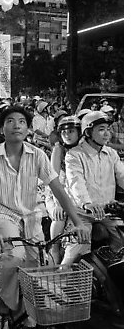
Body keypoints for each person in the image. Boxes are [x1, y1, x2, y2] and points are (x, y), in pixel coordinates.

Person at [0, 106, 89, 329]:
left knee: (40, 261)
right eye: (10, 121)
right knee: (14, 256)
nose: (16, 125)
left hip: (31, 215)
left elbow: (58, 189)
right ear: (1, 127)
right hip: (2, 214)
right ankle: (3, 305)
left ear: (28, 128)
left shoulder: (37, 155)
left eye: (21, 121)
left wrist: (78, 222)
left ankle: (28, 306)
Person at [63, 111, 124, 265]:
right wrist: (86, 203)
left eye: (108, 129)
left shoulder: (111, 153)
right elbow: (76, 182)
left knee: (123, 244)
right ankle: (61, 282)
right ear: (88, 132)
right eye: (101, 129)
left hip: (108, 212)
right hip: (83, 214)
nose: (107, 134)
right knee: (75, 252)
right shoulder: (74, 155)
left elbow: (123, 176)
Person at [46, 116, 82, 263]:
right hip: (56, 193)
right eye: (64, 132)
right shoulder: (58, 150)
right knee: (59, 216)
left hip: (77, 194)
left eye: (71, 131)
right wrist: (58, 203)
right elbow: (53, 179)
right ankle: (54, 250)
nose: (67, 135)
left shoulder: (84, 149)